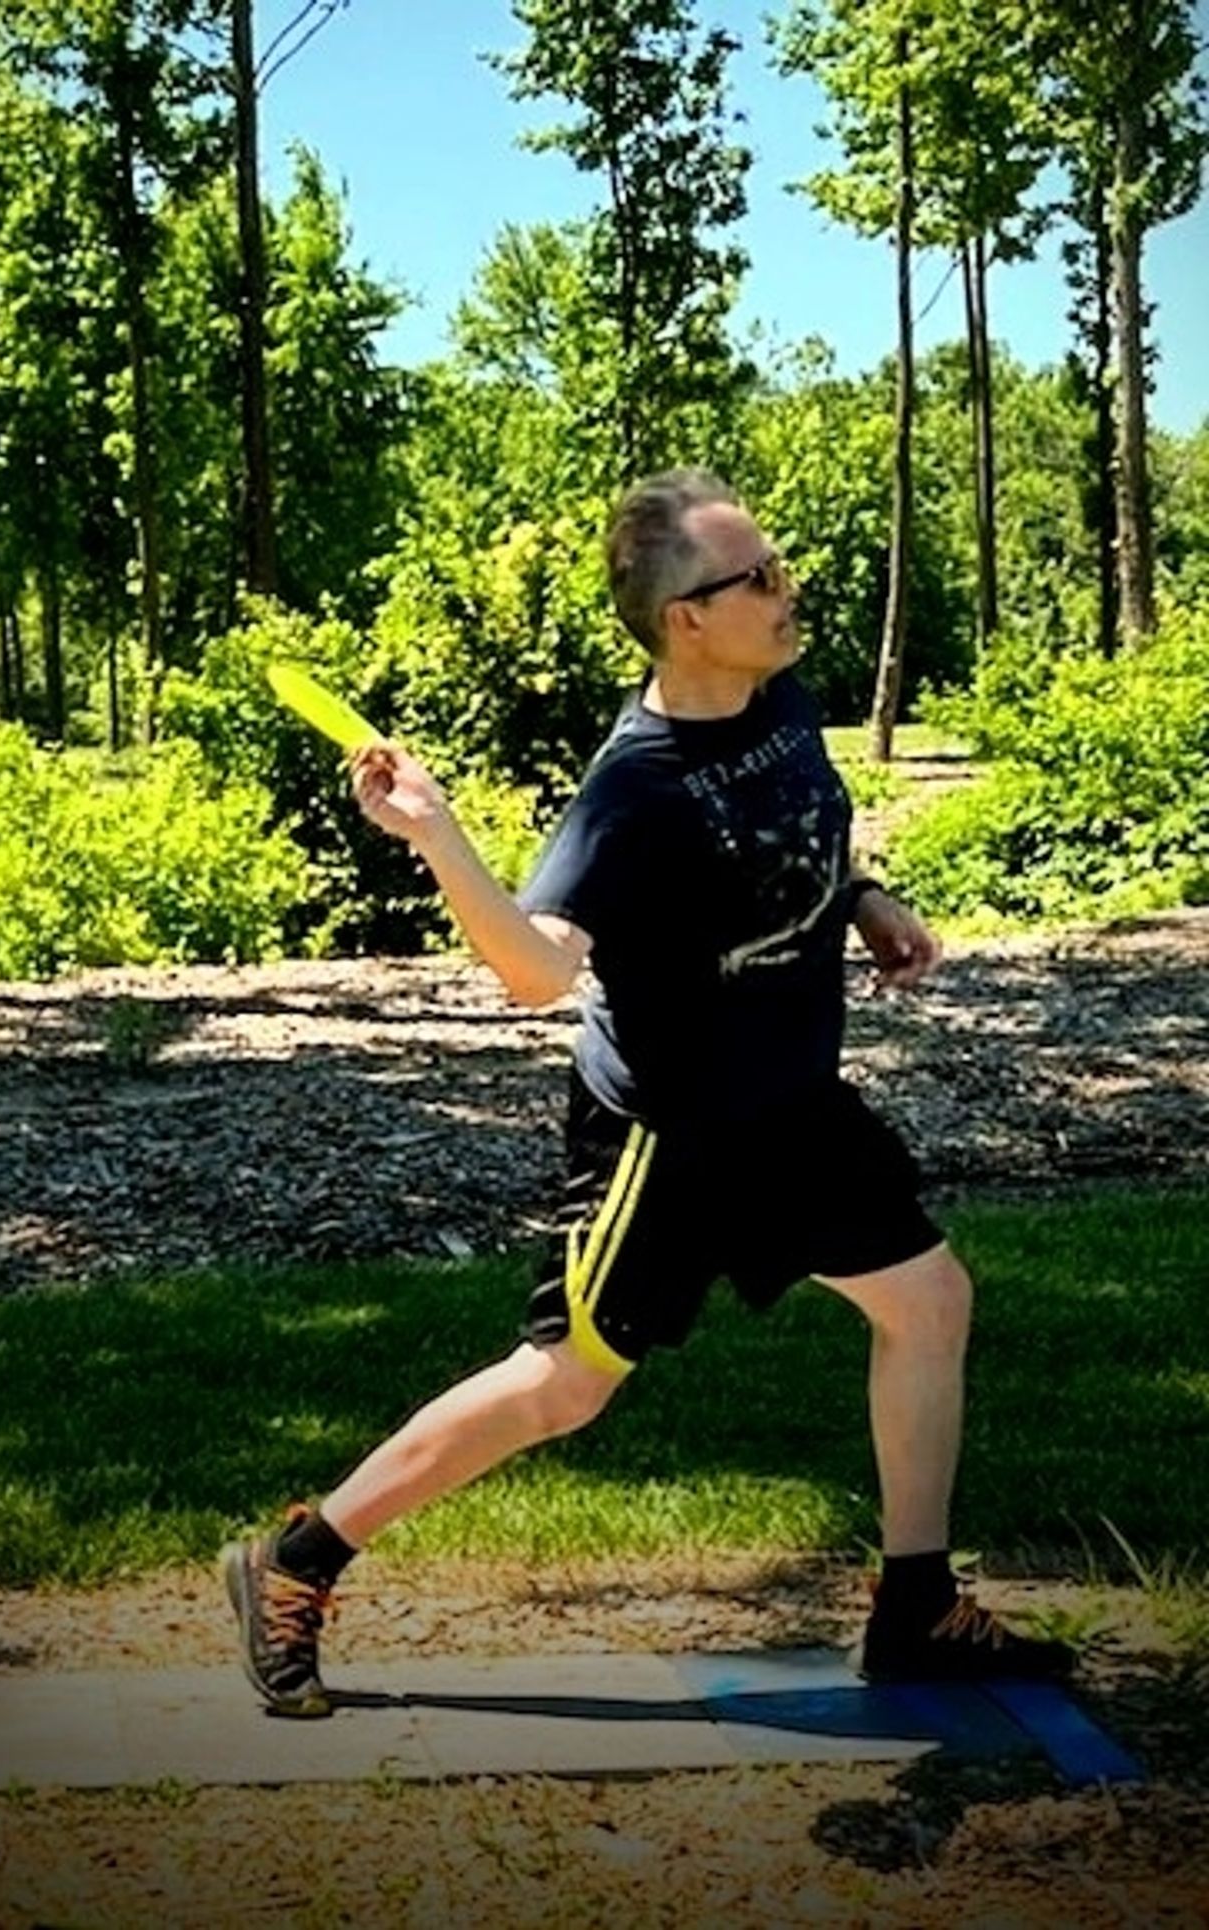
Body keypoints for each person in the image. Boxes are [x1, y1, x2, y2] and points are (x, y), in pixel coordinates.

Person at [222, 467, 1073, 1719]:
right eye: (759, 579)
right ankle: (295, 1560)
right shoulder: (631, 789)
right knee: (564, 1384)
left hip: (790, 1106)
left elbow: (802, 835)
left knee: (928, 1299)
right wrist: (439, 836)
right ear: (687, 616)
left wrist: (864, 899)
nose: (787, 595)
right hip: (666, 1136)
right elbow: (532, 972)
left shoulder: (779, 696)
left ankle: (912, 1606)